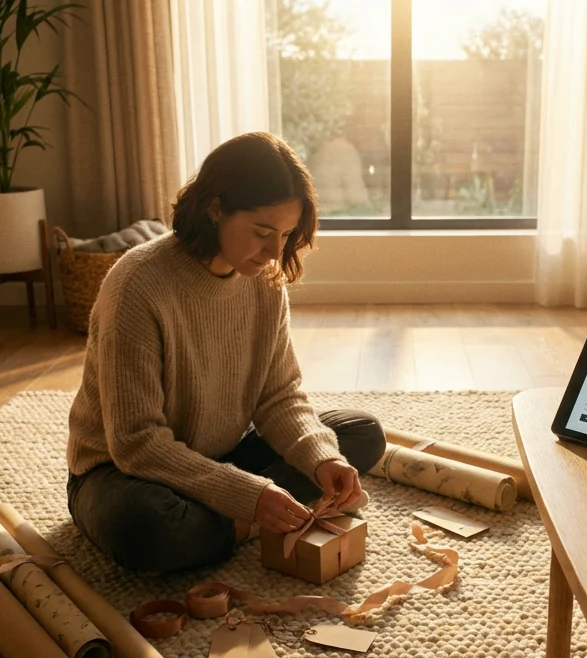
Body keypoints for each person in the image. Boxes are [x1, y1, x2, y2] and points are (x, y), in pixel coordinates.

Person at [66, 132, 386, 573]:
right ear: (214, 208)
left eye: (287, 234)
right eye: (262, 232)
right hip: (121, 473)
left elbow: (278, 397)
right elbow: (136, 444)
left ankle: (229, 521)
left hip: (217, 456)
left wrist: (321, 458)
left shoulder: (263, 282)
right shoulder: (137, 285)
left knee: (360, 435)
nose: (276, 251)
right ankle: (244, 519)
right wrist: (249, 496)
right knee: (145, 528)